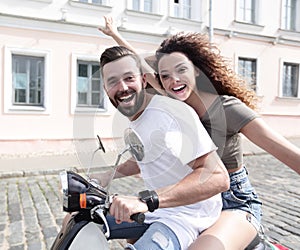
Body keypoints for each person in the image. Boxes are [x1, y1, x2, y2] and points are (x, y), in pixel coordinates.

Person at [98, 16, 300, 250]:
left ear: (197, 71)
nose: (173, 81)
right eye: (165, 76)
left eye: (181, 70)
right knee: (133, 237)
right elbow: (135, 67)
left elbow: (288, 154)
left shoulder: (227, 108)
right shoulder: (170, 102)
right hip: (190, 201)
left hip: (233, 202)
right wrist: (115, 35)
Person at [99, 45, 229, 250]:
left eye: (129, 78)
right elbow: (145, 157)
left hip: (186, 215)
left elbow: (217, 177)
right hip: (157, 209)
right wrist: (106, 176)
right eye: (113, 81)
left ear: (143, 80)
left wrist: (146, 201)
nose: (122, 87)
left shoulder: (170, 114)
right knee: (81, 222)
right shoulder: (136, 115)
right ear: (106, 89)